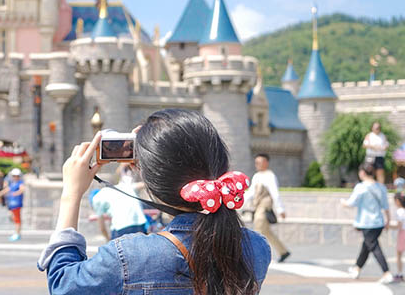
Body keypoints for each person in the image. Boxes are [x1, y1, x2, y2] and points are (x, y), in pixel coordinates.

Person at [38, 109, 270, 295]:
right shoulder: (257, 249)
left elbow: (63, 285)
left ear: (150, 179)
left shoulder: (128, 257)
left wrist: (71, 193)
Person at [341, 162, 393, 284]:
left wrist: (343, 202)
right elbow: (385, 206)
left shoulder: (361, 187)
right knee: (367, 246)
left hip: (366, 223)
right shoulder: (381, 187)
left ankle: (386, 272)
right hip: (378, 223)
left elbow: (351, 203)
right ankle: (356, 268)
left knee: (374, 247)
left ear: (363, 173)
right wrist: (388, 220)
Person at [244, 153, 290, 263]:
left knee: (258, 229)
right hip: (258, 206)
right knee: (266, 232)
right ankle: (283, 251)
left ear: (266, 162)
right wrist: (239, 202)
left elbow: (275, 193)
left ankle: (255, 256)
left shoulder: (270, 176)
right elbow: (251, 192)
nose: (257, 164)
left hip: (264, 207)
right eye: (256, 162)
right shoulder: (256, 176)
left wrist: (280, 209)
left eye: (260, 162)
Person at [91, 164, 147, 239]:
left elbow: (102, 228)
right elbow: (144, 184)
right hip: (139, 225)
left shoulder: (99, 198)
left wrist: (108, 240)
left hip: (120, 228)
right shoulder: (129, 187)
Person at [0, 168, 25, 241]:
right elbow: (7, 190)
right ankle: (17, 233)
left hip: (17, 203)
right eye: (13, 176)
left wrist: (15, 193)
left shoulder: (20, 182)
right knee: (14, 218)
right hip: (12, 204)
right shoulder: (13, 183)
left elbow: (22, 189)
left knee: (17, 219)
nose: (15, 177)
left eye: (16, 176)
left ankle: (17, 234)